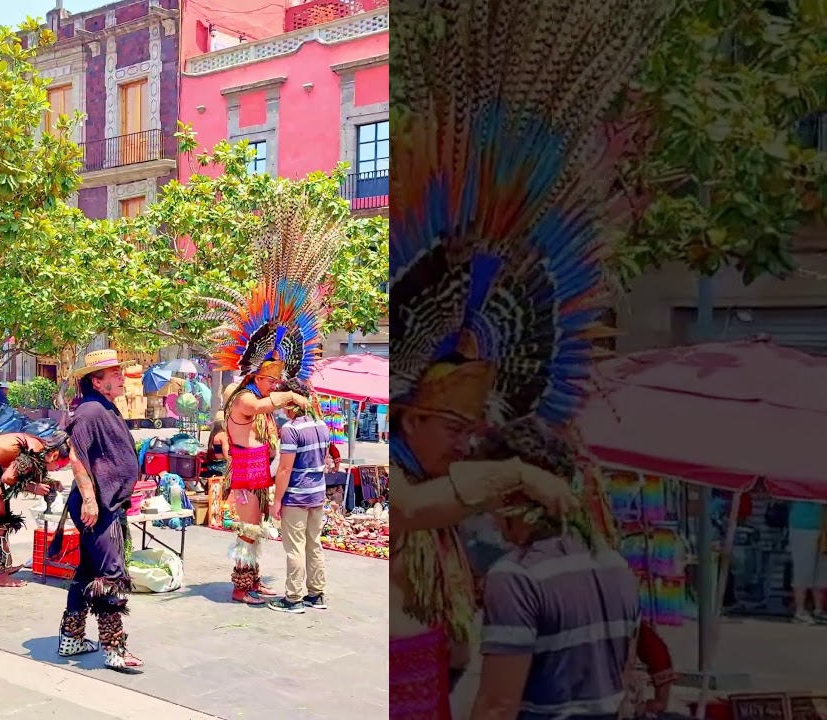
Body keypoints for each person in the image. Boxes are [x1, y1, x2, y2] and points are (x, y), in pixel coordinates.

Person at [390, 1, 656, 715]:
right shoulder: (398, 474)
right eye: (452, 426)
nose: (465, 438)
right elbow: (411, 508)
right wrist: (514, 473)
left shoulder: (506, 541)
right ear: (411, 417)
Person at [210, 193, 342, 606]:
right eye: (272, 379)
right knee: (248, 529)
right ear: (260, 375)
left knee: (256, 528)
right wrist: (296, 397)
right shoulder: (246, 400)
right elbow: (273, 404)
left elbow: (279, 404)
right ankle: (241, 587)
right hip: (247, 473)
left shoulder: (258, 394)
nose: (276, 385)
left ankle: (251, 582)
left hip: (255, 471)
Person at [469, 418, 640, 720]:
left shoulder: (515, 577)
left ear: (511, 493)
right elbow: (622, 681)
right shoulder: (613, 563)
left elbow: (497, 707)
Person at [48, 349, 143, 672]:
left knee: (87, 572)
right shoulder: (89, 411)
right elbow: (75, 454)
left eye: (119, 371)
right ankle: (114, 649)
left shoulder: (104, 406)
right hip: (97, 507)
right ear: (96, 380)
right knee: (111, 576)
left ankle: (71, 639)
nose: (119, 376)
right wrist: (90, 499)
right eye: (113, 372)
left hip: (106, 503)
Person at [267, 380, 331, 614]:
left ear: (291, 403)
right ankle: (316, 594)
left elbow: (284, 469)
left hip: (296, 496)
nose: (282, 408)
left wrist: (277, 501)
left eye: (284, 402)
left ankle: (293, 598)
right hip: (317, 494)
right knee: (314, 544)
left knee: (295, 548)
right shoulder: (322, 425)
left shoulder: (291, 430)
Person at [0, 430, 69, 588]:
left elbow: (18, 472)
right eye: (60, 465)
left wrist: (48, 482)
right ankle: (0, 576)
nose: (57, 469)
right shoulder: (35, 448)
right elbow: (8, 477)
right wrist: (33, 488)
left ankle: (2, 568)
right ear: (55, 454)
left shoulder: (37, 447)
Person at [788, 500, 827, 623]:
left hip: (824, 527)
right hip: (803, 526)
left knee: (822, 571)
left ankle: (818, 610)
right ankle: (800, 610)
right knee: (803, 569)